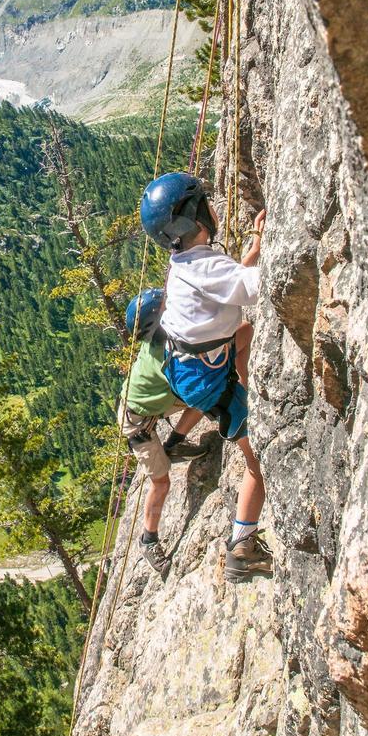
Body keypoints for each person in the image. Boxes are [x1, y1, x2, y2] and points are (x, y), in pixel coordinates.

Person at [140, 172, 272, 584]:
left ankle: (241, 383)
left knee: (244, 333)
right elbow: (255, 286)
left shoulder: (185, 264)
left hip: (187, 371)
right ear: (195, 217)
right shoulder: (205, 267)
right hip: (206, 381)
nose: (214, 207)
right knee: (257, 464)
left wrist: (255, 244)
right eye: (207, 203)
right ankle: (241, 548)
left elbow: (227, 283)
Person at [118, 288, 206, 576]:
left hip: (149, 406)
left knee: (205, 395)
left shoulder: (160, 338)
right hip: (138, 423)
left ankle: (176, 442)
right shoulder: (164, 354)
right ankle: (148, 539)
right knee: (161, 482)